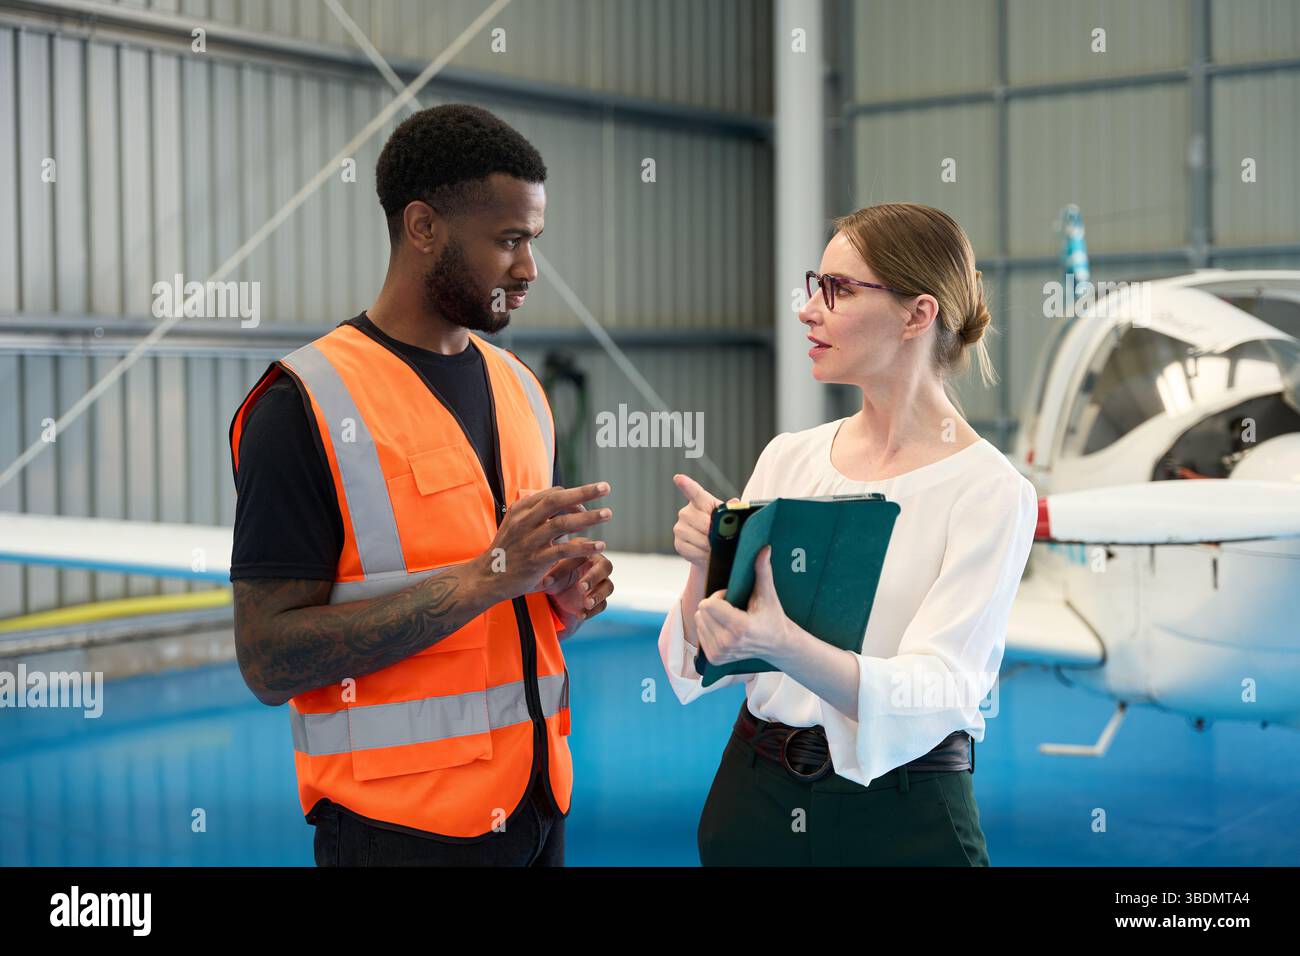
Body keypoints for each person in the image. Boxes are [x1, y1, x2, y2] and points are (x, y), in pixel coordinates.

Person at [228, 104, 614, 867]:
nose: (529, 269)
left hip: (538, 808)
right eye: (508, 241)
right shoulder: (303, 404)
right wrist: (486, 579)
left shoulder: (521, 390)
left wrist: (557, 600)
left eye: (533, 241)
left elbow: (501, 603)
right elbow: (268, 661)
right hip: (397, 834)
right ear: (423, 227)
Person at [660, 202, 1037, 866]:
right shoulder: (789, 458)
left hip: (903, 816)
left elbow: (937, 689)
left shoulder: (992, 492)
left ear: (917, 315)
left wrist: (787, 646)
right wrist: (704, 565)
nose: (808, 310)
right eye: (815, 285)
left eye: (836, 290)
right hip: (754, 798)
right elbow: (699, 662)